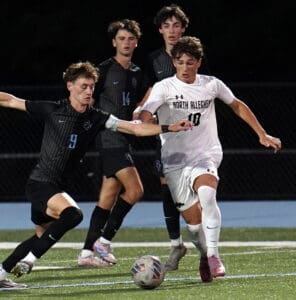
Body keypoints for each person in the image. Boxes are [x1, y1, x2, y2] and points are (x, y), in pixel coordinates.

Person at [0, 61, 192, 289]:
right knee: (73, 215)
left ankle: (1, 273)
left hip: (55, 188)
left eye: (92, 86)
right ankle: (30, 261)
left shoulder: (97, 118)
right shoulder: (53, 110)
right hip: (41, 184)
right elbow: (10, 100)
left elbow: (134, 128)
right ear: (69, 86)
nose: (89, 91)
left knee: (42, 236)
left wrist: (169, 127)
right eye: (83, 86)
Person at [139, 36, 282, 280]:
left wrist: (261, 133)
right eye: (180, 62)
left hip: (205, 153)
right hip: (174, 160)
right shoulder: (164, 87)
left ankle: (215, 256)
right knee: (194, 225)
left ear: (199, 62)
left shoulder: (211, 84)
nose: (185, 67)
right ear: (174, 62)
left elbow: (237, 104)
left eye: (190, 62)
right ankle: (204, 254)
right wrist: (148, 119)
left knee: (207, 193)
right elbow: (145, 113)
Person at [137, 4, 210, 281]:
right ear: (160, 30)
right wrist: (139, 112)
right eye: (166, 25)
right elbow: (150, 91)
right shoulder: (155, 59)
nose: (171, 30)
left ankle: (206, 247)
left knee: (198, 191)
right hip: (165, 132)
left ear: (183, 29)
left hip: (194, 133)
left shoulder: (193, 55)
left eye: (176, 25)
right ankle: (176, 245)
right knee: (167, 185)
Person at [78, 19, 150, 267]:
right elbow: (86, 100)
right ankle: (104, 240)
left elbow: (143, 100)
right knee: (136, 190)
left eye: (130, 39)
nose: (126, 43)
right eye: (121, 39)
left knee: (107, 197)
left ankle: (86, 253)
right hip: (109, 138)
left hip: (126, 138)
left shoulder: (138, 73)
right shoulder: (104, 70)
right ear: (113, 42)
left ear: (136, 42)